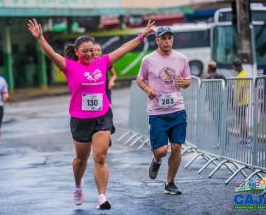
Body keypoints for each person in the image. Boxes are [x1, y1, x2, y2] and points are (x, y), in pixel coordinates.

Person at [28, 18, 155, 210]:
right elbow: (51, 54)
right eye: (85, 50)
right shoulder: (69, 66)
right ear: (77, 52)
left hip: (102, 116)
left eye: (92, 50)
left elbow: (124, 48)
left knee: (101, 157)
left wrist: (142, 35)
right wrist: (39, 38)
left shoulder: (103, 62)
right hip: (80, 120)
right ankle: (78, 185)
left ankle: (102, 196)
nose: (89, 53)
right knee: (81, 159)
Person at [137, 26, 191, 195]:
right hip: (157, 112)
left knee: (176, 147)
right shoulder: (148, 60)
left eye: (169, 38)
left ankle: (170, 182)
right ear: (157, 40)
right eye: (163, 38)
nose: (167, 41)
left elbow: (188, 79)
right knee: (161, 150)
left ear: (172, 40)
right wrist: (148, 90)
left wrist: (185, 83)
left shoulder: (181, 58)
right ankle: (156, 160)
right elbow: (139, 80)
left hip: (177, 109)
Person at [94, 43, 117, 147]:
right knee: (96, 113)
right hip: (93, 92)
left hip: (105, 90)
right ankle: (98, 133)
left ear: (101, 52)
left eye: (98, 50)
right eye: (94, 50)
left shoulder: (105, 62)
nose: (96, 52)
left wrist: (111, 81)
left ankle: (108, 132)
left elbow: (114, 75)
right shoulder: (87, 63)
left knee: (108, 110)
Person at [232, 59, 250, 144]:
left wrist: (238, 101)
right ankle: (243, 138)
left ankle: (245, 138)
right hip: (242, 101)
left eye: (234, 67)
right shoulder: (242, 74)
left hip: (241, 102)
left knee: (242, 121)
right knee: (241, 120)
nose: (233, 68)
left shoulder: (242, 75)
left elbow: (242, 89)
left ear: (236, 66)